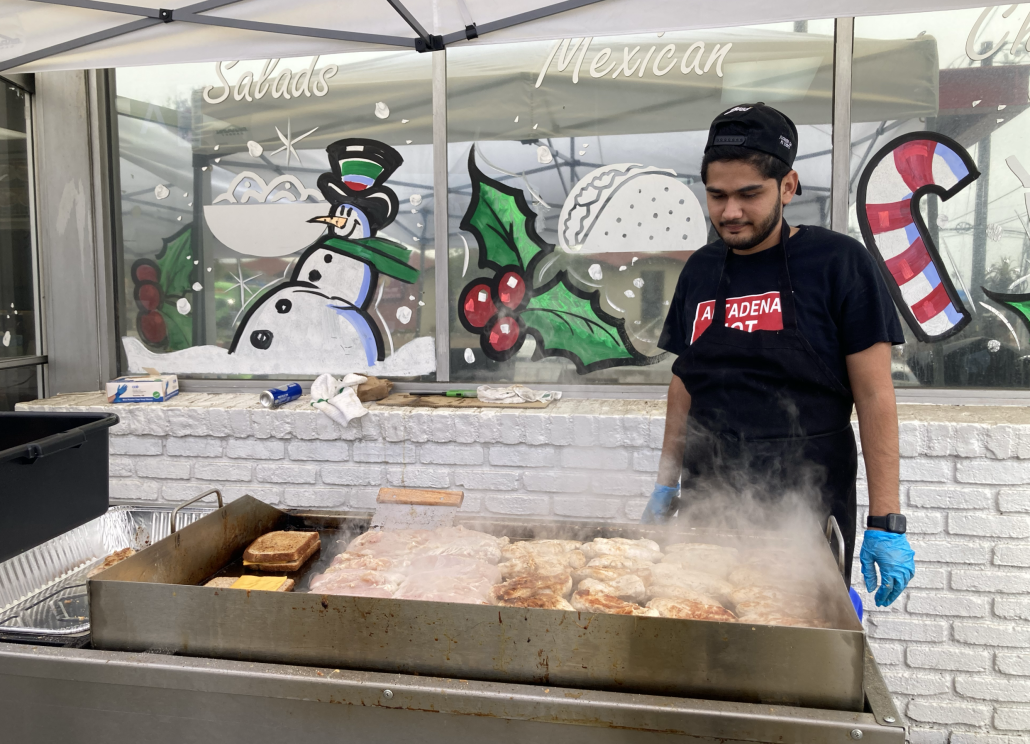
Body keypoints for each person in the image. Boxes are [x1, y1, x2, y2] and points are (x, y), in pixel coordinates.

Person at [642, 103, 916, 607]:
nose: (730, 212)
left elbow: (876, 394)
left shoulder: (839, 264)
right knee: (698, 620)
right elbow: (684, 381)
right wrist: (666, 482)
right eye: (717, 195)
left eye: (749, 194)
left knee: (793, 632)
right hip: (710, 488)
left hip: (807, 495)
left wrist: (887, 521)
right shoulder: (700, 270)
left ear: (787, 187)